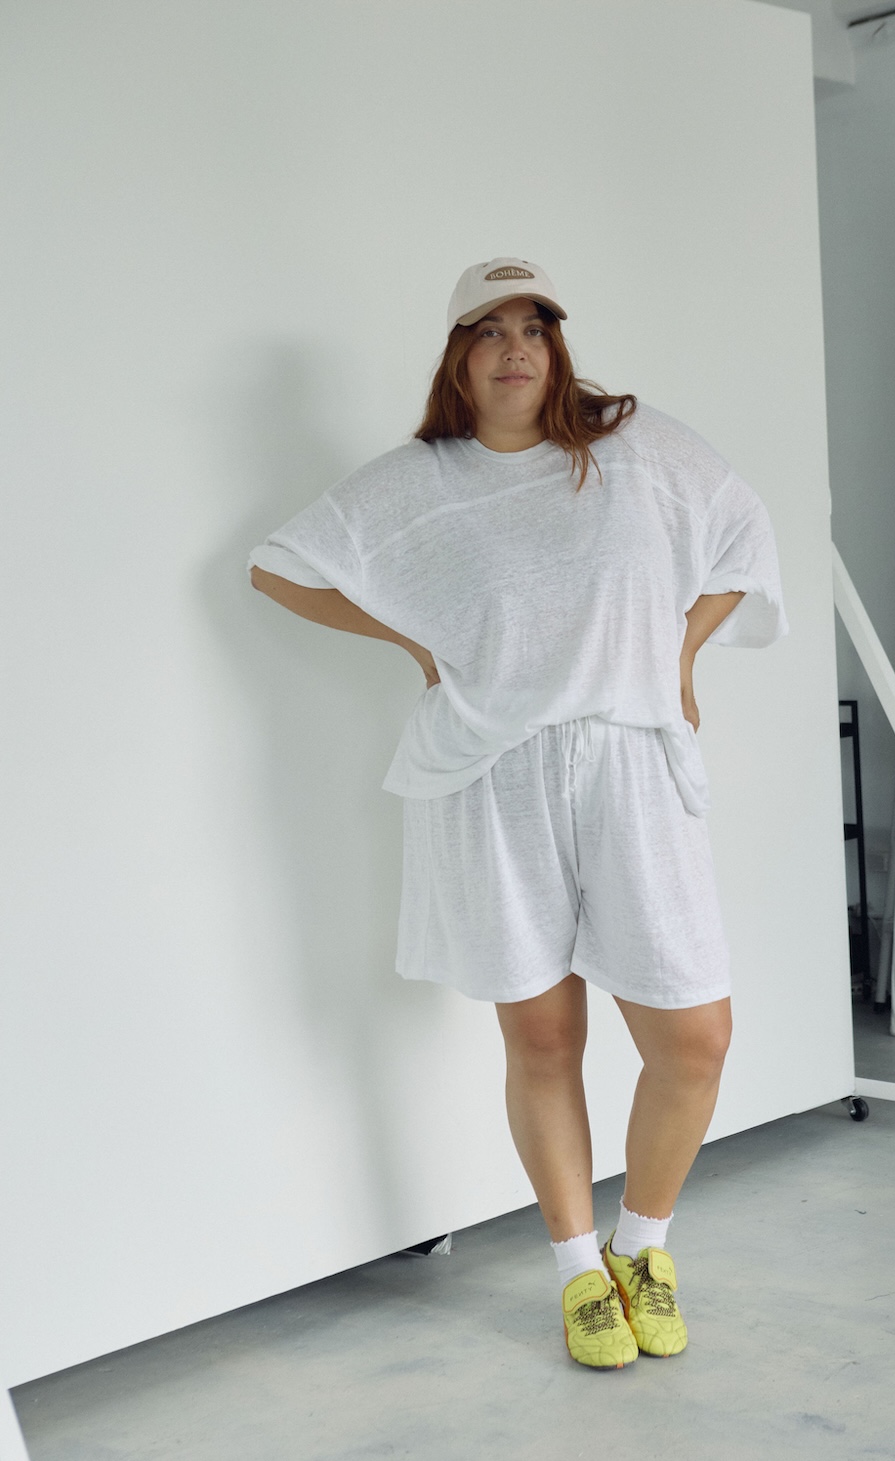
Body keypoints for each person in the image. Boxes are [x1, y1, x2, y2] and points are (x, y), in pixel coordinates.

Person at [247, 257, 789, 1371]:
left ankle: (643, 1248)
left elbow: (743, 536)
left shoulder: (637, 449)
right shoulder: (418, 482)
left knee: (695, 1036)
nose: (514, 350)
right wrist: (416, 641)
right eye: (489, 330)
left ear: (557, 345)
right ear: (458, 353)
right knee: (543, 1036)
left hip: (631, 761)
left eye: (533, 328)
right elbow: (278, 568)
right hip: (492, 773)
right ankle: (580, 1274)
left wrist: (681, 653)